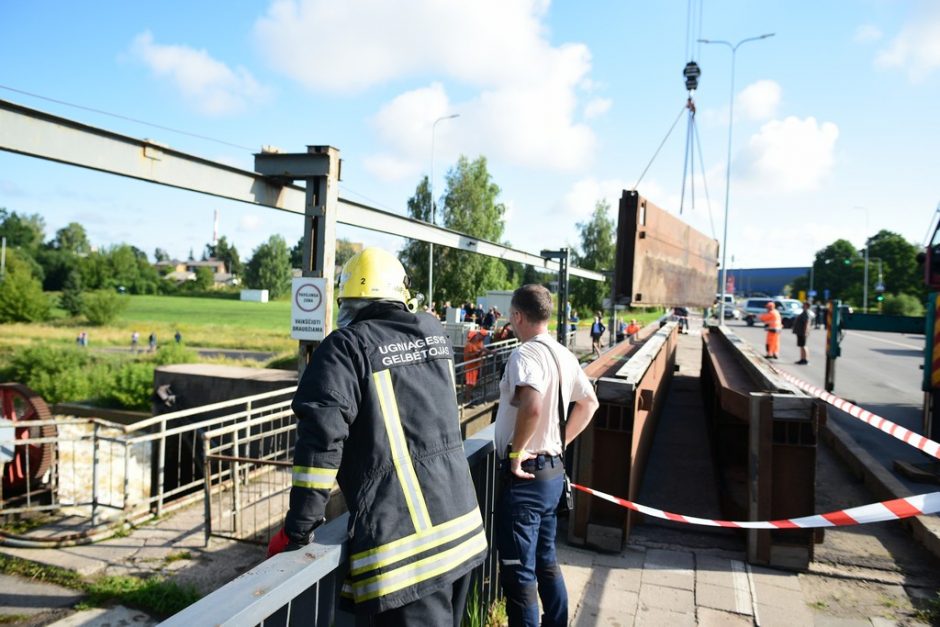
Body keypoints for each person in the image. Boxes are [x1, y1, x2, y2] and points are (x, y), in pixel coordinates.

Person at [267, 248, 485, 625]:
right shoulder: (432, 333)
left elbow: (320, 444)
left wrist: (298, 530)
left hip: (409, 555)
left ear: (348, 302)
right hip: (462, 531)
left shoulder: (344, 347)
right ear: (402, 296)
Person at [493, 284, 599, 627]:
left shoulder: (524, 355)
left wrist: (516, 453)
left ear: (519, 316)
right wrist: (560, 442)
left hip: (525, 479)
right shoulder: (564, 354)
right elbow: (589, 403)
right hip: (552, 473)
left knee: (519, 576)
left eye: (512, 316)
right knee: (546, 561)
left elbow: (533, 405)